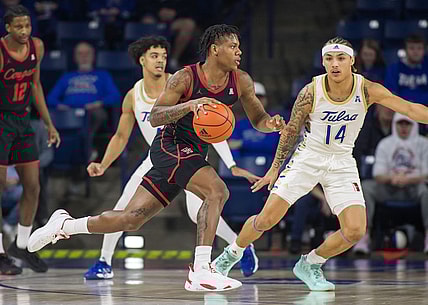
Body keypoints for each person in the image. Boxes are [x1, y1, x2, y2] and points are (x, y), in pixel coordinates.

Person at [28, 24, 284, 291]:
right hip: (169, 146)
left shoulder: (241, 80)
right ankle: (201, 269)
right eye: (233, 46)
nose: (239, 51)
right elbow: (156, 115)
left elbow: (258, 118)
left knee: (131, 218)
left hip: (193, 152)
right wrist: (190, 105)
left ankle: (66, 224)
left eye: (239, 46)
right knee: (217, 190)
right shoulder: (184, 78)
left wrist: (272, 124)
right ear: (215, 50)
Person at [212, 36, 428, 291]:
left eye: (340, 58)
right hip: (308, 157)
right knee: (266, 219)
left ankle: (311, 263)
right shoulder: (310, 91)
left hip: (342, 161)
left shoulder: (368, 89)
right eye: (329, 59)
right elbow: (291, 131)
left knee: (356, 230)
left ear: (352, 61)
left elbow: (411, 109)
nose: (334, 64)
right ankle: (232, 253)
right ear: (323, 62)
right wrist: (273, 169)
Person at [83, 35, 260, 280]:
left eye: (164, 56)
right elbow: (121, 136)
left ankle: (238, 247)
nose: (160, 61)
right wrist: (103, 163)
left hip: (188, 153)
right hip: (159, 154)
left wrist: (231, 164)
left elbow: (211, 127)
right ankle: (104, 261)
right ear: (142, 60)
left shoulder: (180, 82)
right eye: (154, 56)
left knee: (203, 205)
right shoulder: (133, 95)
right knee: (125, 207)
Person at [0, 5, 60, 275]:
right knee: (0, 187)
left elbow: (35, 85)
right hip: (2, 121)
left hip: (23, 121)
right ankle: (0, 253)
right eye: (19, 27)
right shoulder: (1, 52)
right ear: (8, 28)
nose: (25, 31)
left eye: (28, 26)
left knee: (33, 186)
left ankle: (21, 245)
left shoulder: (37, 46)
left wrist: (48, 123)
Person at [359, 113, 428, 254]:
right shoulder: (385, 144)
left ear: (413, 125)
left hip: (415, 189)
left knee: (425, 191)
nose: (403, 127)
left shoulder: (423, 143)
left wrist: (408, 179)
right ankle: (363, 236)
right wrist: (392, 178)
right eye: (400, 123)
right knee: (366, 187)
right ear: (394, 124)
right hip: (389, 188)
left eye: (407, 124)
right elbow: (377, 174)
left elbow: (426, 173)